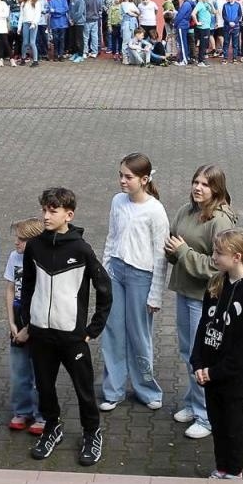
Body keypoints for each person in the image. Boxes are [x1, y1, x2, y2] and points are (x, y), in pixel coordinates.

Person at [15, 186, 112, 467]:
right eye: (44, 209)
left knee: (84, 389)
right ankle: (51, 427)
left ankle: (92, 433)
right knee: (45, 387)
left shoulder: (81, 249)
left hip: (72, 336)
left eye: (52, 210)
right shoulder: (34, 246)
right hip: (41, 335)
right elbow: (29, 285)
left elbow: (104, 288)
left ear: (68, 214)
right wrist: (27, 321)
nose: (45, 215)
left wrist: (93, 328)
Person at [164, 164, 238, 442]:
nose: (198, 187)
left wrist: (183, 252)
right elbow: (174, 242)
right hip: (184, 291)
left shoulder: (220, 221)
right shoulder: (186, 210)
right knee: (187, 352)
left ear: (217, 189)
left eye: (205, 184)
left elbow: (220, 265)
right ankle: (193, 404)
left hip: (204, 299)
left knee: (202, 356)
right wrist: (173, 251)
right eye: (196, 181)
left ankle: (207, 415)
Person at [191, 228, 243, 480]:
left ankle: (234, 470)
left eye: (218, 253)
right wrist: (198, 362)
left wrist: (213, 372)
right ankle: (221, 466)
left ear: (236, 257)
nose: (213, 256)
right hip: (211, 373)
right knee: (217, 422)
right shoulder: (216, 284)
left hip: (234, 377)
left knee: (233, 426)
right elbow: (203, 326)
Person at [99, 152, 170, 415]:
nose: (122, 181)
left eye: (128, 177)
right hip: (117, 272)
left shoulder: (155, 210)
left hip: (142, 277)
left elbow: (161, 256)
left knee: (139, 336)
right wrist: (104, 272)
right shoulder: (117, 202)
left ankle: (147, 389)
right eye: (121, 175)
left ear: (144, 179)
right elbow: (111, 237)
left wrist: (155, 296)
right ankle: (113, 389)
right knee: (113, 332)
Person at [3, 217, 47, 436]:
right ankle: (22, 411)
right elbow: (10, 288)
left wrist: (27, 329)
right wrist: (12, 322)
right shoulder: (14, 257)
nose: (16, 243)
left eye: (21, 240)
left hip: (37, 321)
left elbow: (44, 298)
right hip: (19, 317)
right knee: (19, 371)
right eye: (16, 239)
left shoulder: (42, 262)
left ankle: (43, 415)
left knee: (40, 372)